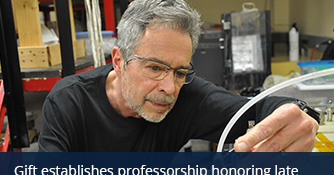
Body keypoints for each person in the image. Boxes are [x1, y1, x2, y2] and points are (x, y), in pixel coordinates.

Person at [38, 0, 319, 152]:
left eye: (181, 71)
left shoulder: (187, 96)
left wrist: (299, 115)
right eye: (155, 68)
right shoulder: (69, 102)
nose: (170, 87)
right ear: (119, 61)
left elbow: (259, 109)